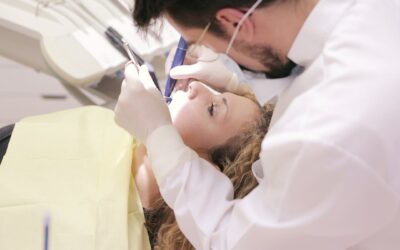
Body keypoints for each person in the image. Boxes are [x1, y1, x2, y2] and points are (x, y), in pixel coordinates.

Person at [114, 0, 400, 249]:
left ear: (234, 21)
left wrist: (158, 134)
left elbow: (230, 240)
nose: (196, 88)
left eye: (204, 41)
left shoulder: (325, 133)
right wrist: (242, 83)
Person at [0, 65, 272, 249]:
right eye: (217, 89)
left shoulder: (126, 240)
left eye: (212, 108)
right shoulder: (102, 126)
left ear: (207, 172)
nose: (197, 86)